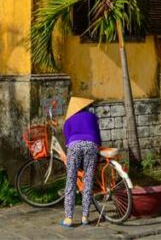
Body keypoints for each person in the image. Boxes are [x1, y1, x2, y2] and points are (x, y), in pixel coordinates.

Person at [62, 96, 101, 227]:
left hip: (75, 146)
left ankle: (68, 218)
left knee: (71, 180)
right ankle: (85, 217)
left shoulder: (69, 120)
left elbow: (67, 140)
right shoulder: (92, 117)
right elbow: (98, 136)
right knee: (88, 180)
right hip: (91, 145)